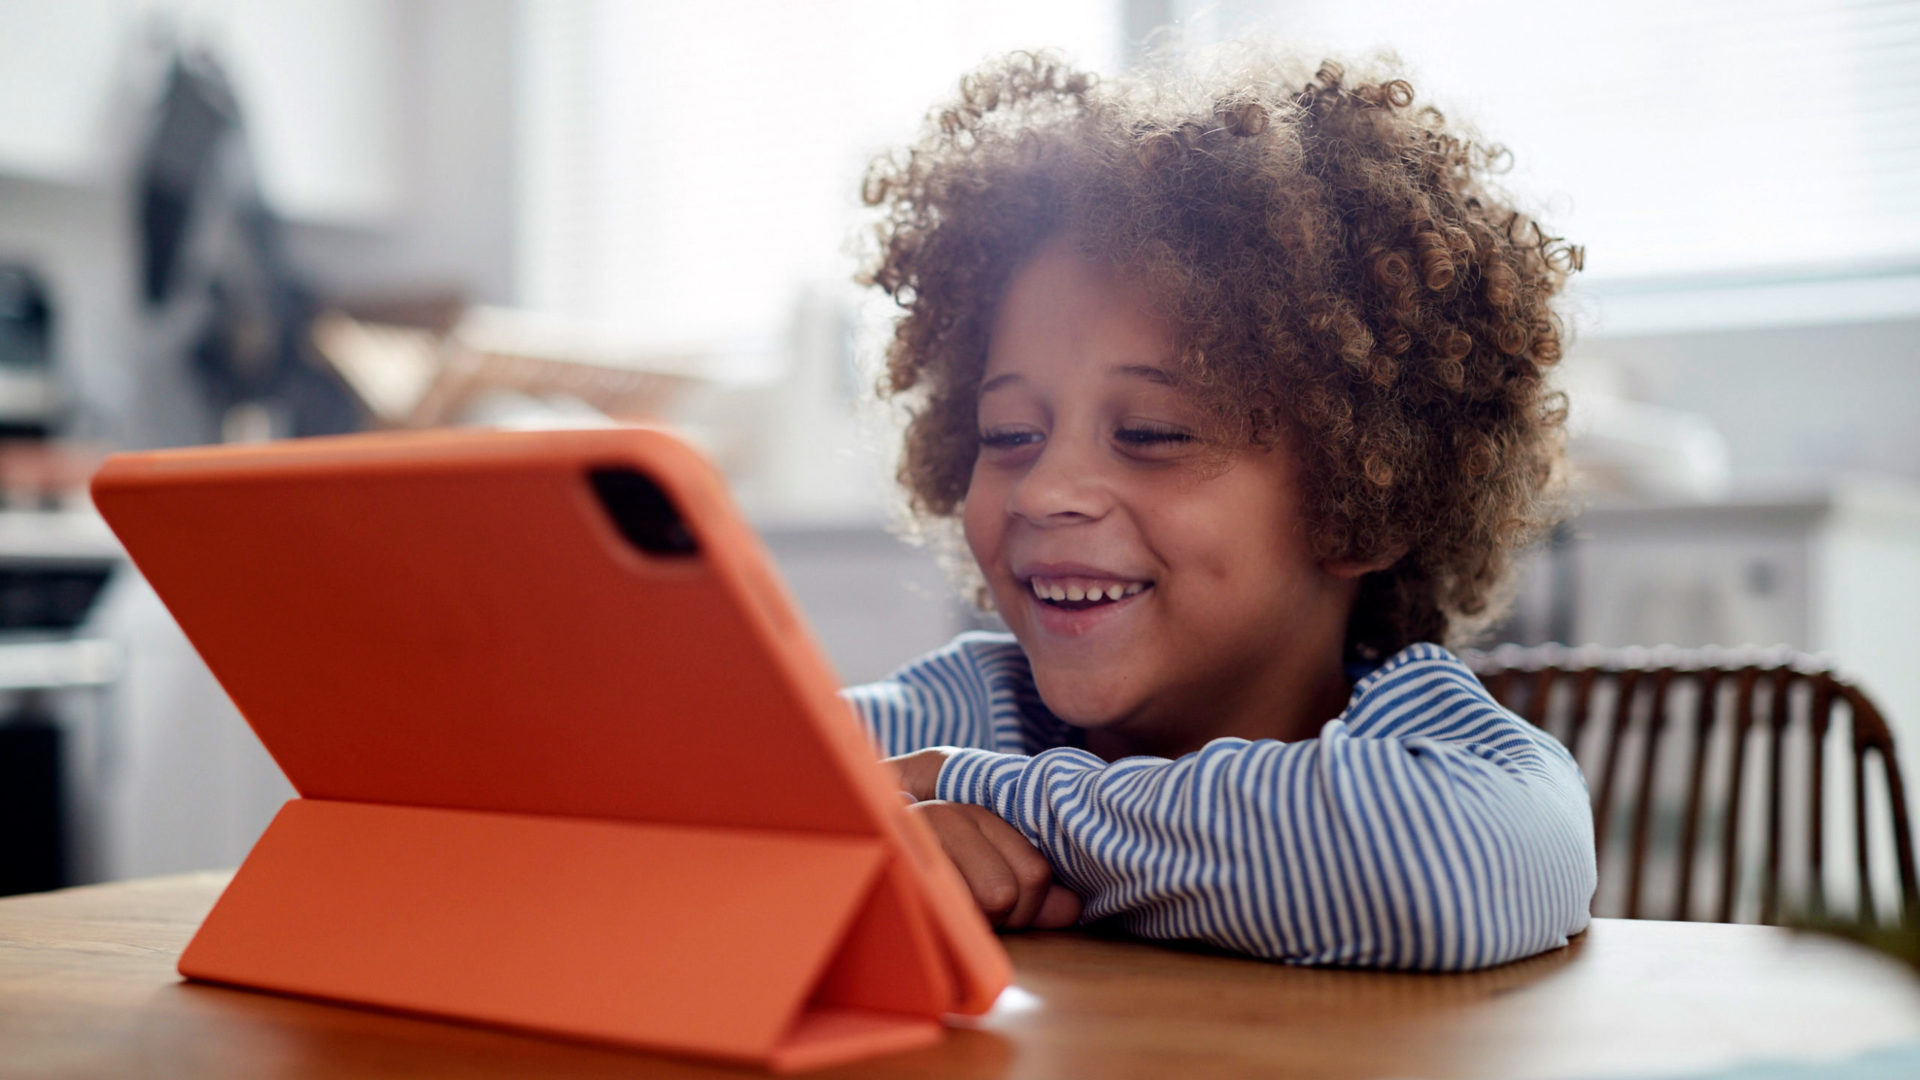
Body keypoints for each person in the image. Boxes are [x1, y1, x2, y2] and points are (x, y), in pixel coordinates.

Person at [842, 45, 1596, 972]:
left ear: (1363, 502)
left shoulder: (1426, 739)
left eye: (1154, 433)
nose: (1042, 491)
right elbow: (658, 793)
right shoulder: (972, 704)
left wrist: (996, 801)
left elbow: (1446, 867)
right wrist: (852, 835)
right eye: (1006, 435)